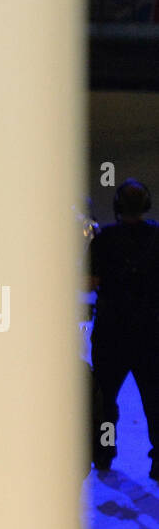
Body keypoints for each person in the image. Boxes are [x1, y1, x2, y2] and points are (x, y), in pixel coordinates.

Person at [88, 179, 159, 476]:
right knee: (155, 402)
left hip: (111, 333)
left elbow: (89, 283)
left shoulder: (103, 239)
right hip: (150, 334)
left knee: (106, 400)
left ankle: (105, 453)